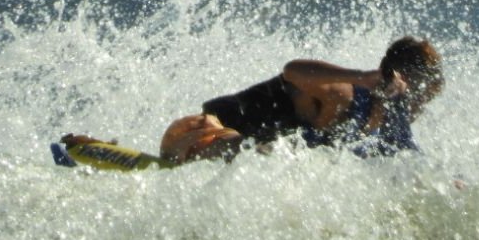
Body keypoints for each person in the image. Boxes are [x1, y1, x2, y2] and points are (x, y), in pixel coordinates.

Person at [159, 36, 443, 164]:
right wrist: (362, 76)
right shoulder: (346, 96)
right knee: (269, 153)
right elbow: (292, 71)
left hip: (247, 167)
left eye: (431, 94)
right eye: (424, 92)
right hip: (199, 134)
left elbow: (409, 160)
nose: (425, 102)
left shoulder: (389, 125)